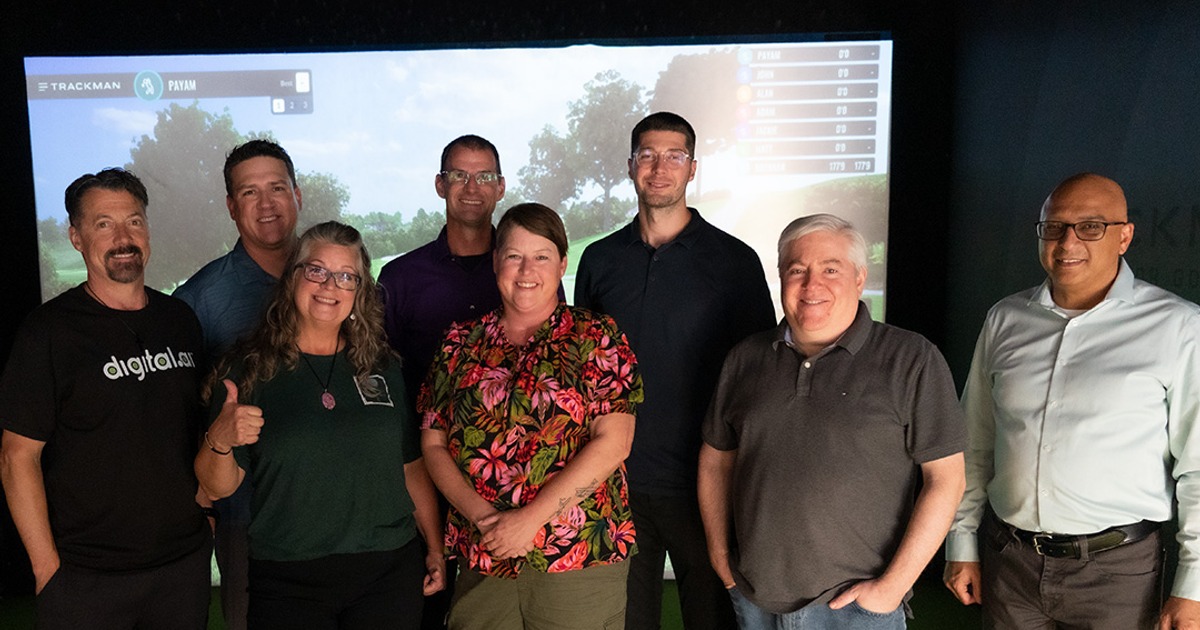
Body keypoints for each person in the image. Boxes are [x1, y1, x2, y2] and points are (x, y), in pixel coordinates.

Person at [944, 173, 1200, 630]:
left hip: (1120, 575)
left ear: (1125, 236)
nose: (1067, 242)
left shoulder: (1179, 327)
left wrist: (1192, 586)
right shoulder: (1005, 319)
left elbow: (1197, 469)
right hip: (1011, 565)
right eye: (1054, 226)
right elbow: (975, 444)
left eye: (1090, 227)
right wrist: (961, 543)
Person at [698, 213, 966, 629]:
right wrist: (720, 558)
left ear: (859, 278)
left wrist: (891, 589)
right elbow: (716, 460)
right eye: (797, 270)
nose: (811, 285)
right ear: (781, 277)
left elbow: (946, 480)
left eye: (830, 269)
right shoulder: (745, 358)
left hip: (858, 610)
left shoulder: (911, 359)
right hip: (756, 601)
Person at [574, 111, 775, 629]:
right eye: (647, 155)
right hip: (616, 484)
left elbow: (760, 378)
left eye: (674, 156)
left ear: (692, 169)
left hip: (706, 485)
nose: (659, 167)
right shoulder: (599, 261)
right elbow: (587, 374)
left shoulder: (735, 261)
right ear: (630, 165)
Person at [194, 221, 444, 629]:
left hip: (388, 571)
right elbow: (218, 487)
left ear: (359, 292)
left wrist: (433, 546)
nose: (330, 286)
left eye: (346, 277)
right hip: (290, 577)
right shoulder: (247, 371)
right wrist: (220, 439)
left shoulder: (382, 367)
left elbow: (409, 466)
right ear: (293, 275)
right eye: (317, 270)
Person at [0, 168, 211, 629]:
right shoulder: (48, 333)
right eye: (103, 224)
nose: (123, 237)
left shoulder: (179, 320)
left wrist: (206, 523)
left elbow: (193, 433)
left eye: (134, 221)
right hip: (84, 576)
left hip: (182, 566)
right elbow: (17, 458)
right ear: (76, 237)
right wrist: (45, 568)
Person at [420, 203, 643, 630]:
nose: (527, 269)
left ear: (561, 264)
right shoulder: (458, 343)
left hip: (578, 557)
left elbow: (615, 441)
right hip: (484, 555)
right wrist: (487, 521)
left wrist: (528, 521)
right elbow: (433, 443)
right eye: (513, 255)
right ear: (495, 262)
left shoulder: (596, 336)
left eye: (541, 256)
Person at [174, 138, 302, 630]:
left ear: (297, 194)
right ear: (231, 206)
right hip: (247, 517)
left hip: (337, 508)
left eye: (276, 188)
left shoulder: (332, 280)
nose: (266, 204)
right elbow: (183, 414)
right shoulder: (200, 301)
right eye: (249, 193)